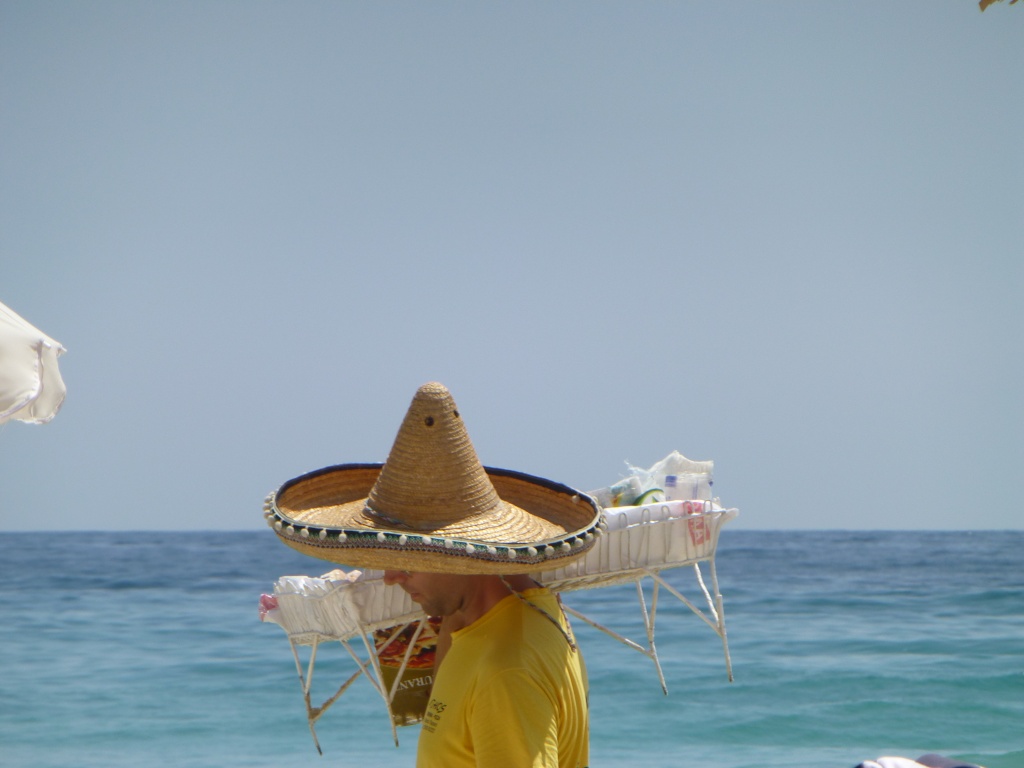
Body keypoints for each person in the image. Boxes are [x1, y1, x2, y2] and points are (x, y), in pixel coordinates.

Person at [267, 382, 603, 768]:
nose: (391, 576)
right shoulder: (509, 616)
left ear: (463, 558)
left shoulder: (505, 673)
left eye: (406, 559)